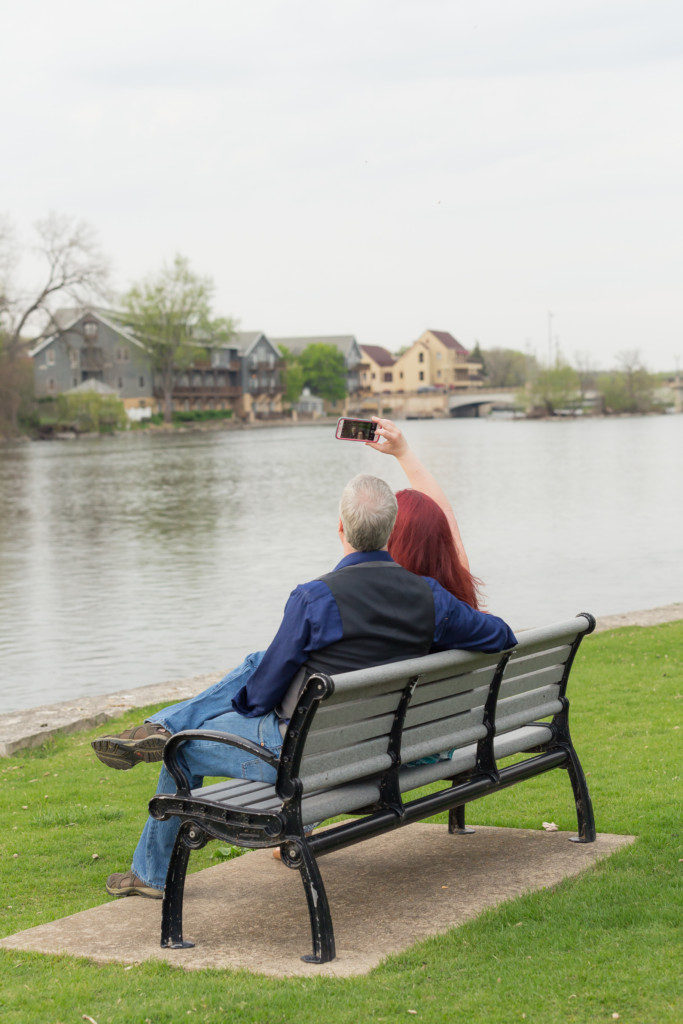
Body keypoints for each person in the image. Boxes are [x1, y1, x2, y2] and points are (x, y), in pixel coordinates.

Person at [97, 454, 515, 900]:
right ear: (390, 534)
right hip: (383, 749)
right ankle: (166, 728)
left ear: (341, 529)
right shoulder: (430, 599)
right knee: (254, 670)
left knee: (182, 749)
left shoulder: (314, 598)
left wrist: (246, 709)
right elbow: (501, 634)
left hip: (306, 758)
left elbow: (260, 695)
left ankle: (151, 869)